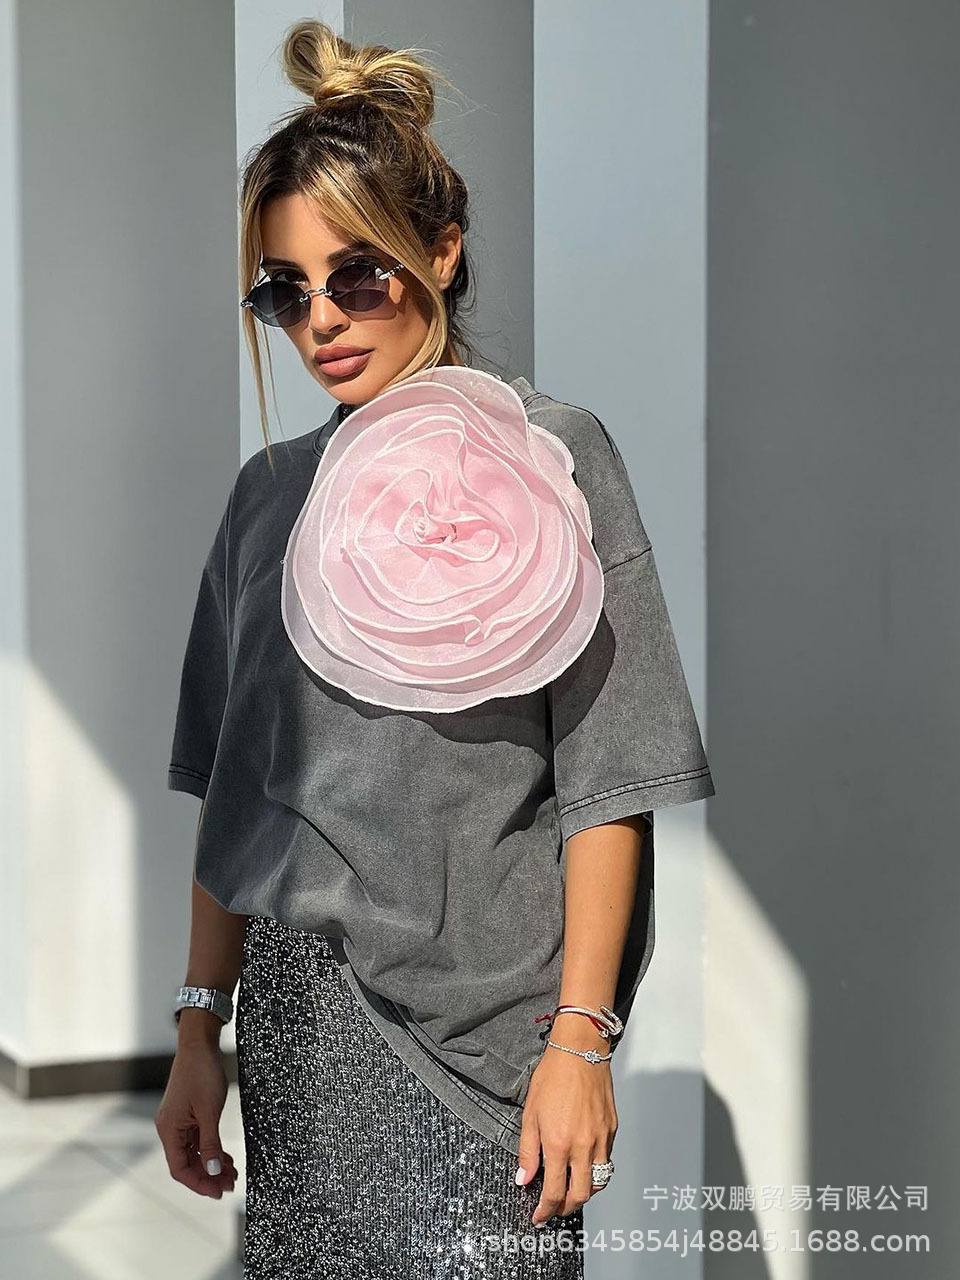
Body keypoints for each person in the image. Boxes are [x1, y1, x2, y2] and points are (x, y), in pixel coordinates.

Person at [153, 19, 715, 1279]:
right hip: (300, 1038)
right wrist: (199, 1024)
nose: (321, 320)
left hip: (491, 1055)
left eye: (357, 274)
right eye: (284, 290)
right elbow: (235, 793)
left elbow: (609, 780)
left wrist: (582, 1039)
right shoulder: (266, 495)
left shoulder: (559, 456)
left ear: (441, 251)